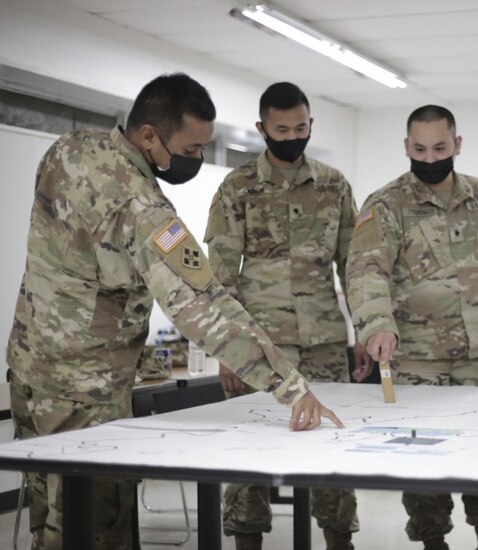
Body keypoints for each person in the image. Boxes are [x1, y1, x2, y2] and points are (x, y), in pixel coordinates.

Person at [5, 73, 342, 550]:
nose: (198, 160)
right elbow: (200, 304)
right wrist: (289, 385)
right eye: (190, 150)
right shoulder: (143, 206)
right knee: (99, 527)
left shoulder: (70, 148)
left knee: (50, 521)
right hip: (86, 391)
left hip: (31, 369)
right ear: (149, 135)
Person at [346, 105, 478, 550]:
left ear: (457, 145)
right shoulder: (386, 204)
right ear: (407, 147)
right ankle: (433, 542)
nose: (430, 158)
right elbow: (367, 271)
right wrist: (377, 326)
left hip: (477, 360)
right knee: (423, 468)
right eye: (420, 149)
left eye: (440, 148)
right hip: (415, 361)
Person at [204, 82, 366, 550]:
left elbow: (353, 267)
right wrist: (228, 352)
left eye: (301, 127)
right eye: (281, 129)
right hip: (259, 348)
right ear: (262, 129)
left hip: (324, 345)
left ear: (311, 125)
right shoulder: (237, 187)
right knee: (249, 458)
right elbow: (219, 278)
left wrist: (360, 333)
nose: (293, 136)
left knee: (333, 453)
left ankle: (339, 541)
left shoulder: (334, 185)